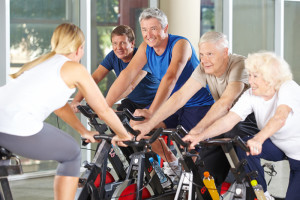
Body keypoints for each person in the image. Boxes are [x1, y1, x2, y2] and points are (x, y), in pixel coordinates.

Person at [0, 23, 132, 200]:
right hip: (13, 125)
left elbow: (59, 106)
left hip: (5, 122)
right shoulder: (74, 68)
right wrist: (124, 135)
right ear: (79, 48)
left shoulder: (44, 62)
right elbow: (103, 110)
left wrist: (83, 131)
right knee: (71, 152)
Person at [134, 31, 259, 186]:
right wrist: (150, 124)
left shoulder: (240, 65)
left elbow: (225, 102)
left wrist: (198, 130)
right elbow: (180, 97)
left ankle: (260, 191)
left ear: (225, 52)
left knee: (229, 134)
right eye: (201, 54)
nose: (204, 60)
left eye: (210, 54)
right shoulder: (203, 67)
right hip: (228, 121)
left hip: (253, 120)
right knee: (202, 175)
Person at [105, 8, 214, 179]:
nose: (148, 34)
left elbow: (170, 78)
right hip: (173, 103)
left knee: (190, 147)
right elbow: (127, 75)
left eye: (153, 28)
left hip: (198, 103)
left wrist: (152, 111)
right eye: (144, 29)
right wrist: (104, 106)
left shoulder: (180, 44)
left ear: (165, 28)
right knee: (137, 124)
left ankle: (195, 181)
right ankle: (172, 164)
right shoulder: (145, 48)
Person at [184, 51, 300, 200]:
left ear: (271, 77)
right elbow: (229, 120)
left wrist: (259, 139)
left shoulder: (288, 88)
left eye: (255, 76)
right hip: (279, 145)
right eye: (249, 75)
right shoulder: (252, 94)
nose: (250, 81)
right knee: (243, 145)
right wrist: (200, 136)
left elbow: (280, 117)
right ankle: (262, 194)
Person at [70, 25, 160, 114]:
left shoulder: (142, 56)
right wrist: (76, 101)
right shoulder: (112, 56)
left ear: (132, 43)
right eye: (115, 43)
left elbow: (130, 86)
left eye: (123, 43)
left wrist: (106, 104)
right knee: (116, 122)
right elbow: (94, 79)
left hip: (153, 102)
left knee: (135, 125)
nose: (118, 48)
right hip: (133, 102)